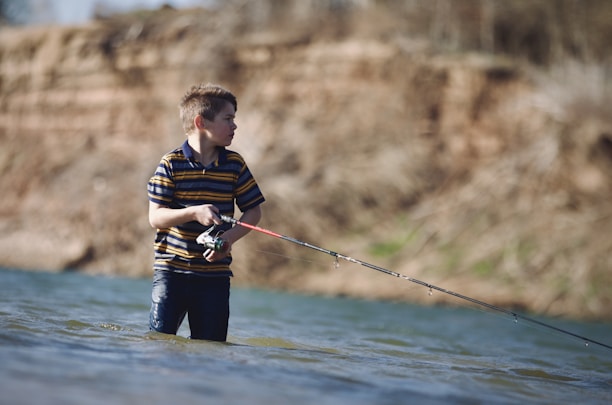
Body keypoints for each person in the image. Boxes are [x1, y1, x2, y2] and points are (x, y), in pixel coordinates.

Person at [147, 83, 265, 341]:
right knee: (159, 344)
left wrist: (228, 240)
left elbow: (253, 213)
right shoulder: (171, 163)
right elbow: (156, 217)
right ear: (201, 122)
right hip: (171, 273)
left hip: (215, 278)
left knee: (212, 349)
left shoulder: (234, 164)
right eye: (228, 119)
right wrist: (193, 213)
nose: (235, 126)